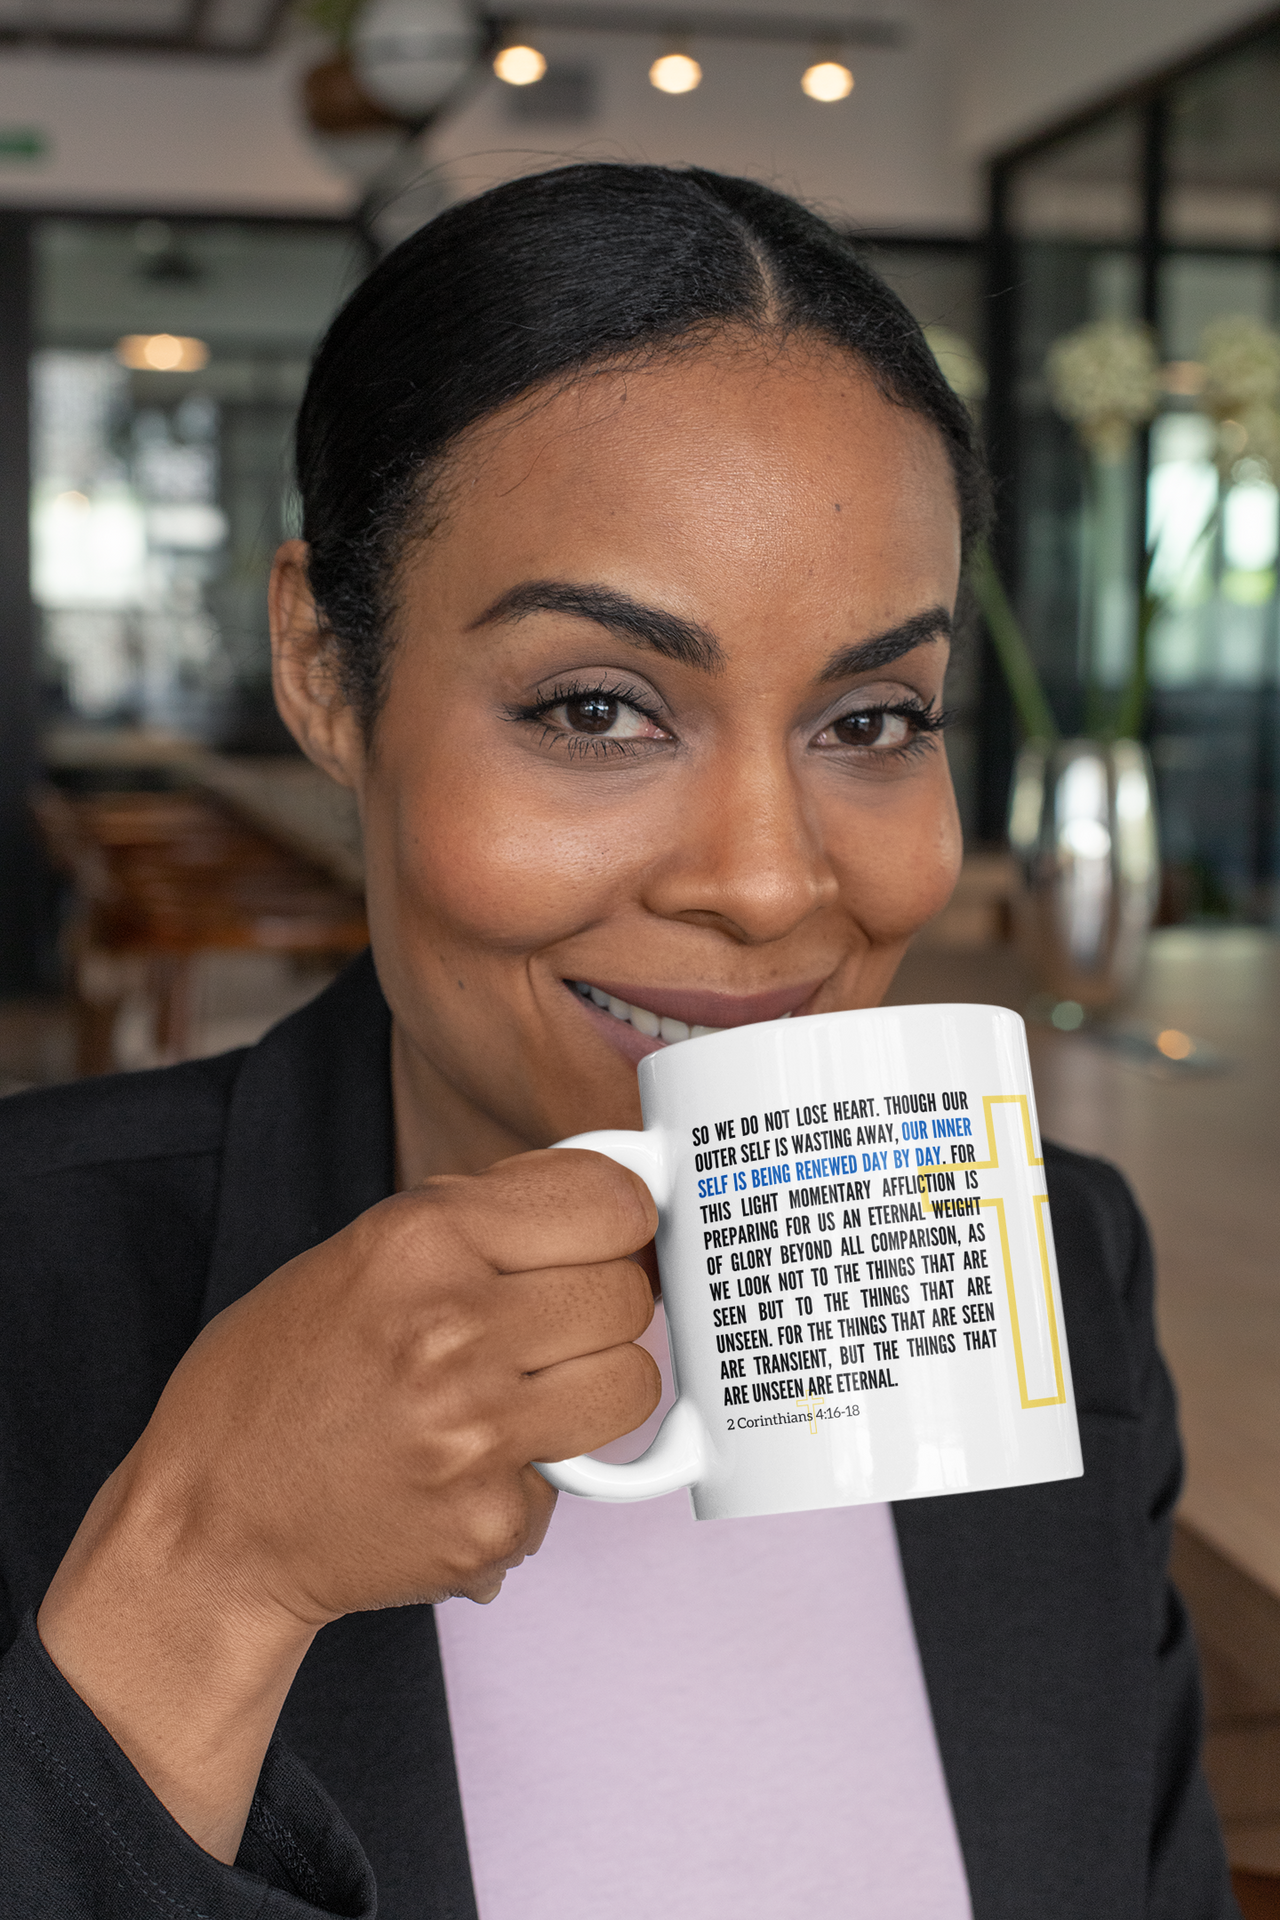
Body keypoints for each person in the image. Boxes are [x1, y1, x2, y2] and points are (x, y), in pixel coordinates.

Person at [0, 163, 1236, 1920]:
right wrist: (210, 1571)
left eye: (873, 717)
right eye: (597, 707)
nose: (764, 880)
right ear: (323, 669)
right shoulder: (34, 1285)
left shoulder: (1059, 1255)